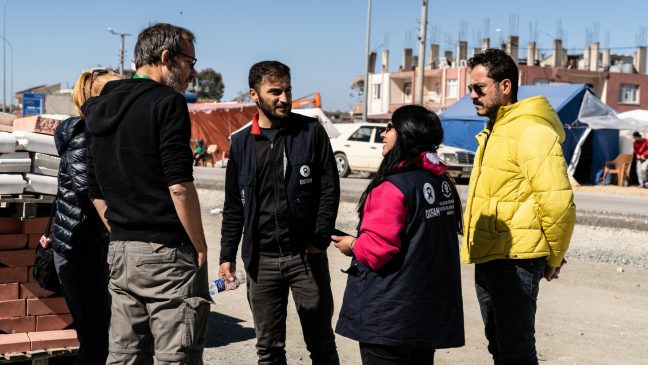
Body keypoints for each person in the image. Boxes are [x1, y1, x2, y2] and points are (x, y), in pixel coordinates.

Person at [82, 23, 209, 364]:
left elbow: (95, 190)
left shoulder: (98, 107)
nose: (193, 72)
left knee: (125, 355)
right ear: (166, 57)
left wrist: (121, 231)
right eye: (189, 62)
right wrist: (199, 244)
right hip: (166, 252)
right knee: (175, 355)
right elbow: (179, 186)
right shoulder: (167, 103)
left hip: (121, 249)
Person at [219, 60, 341, 364]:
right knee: (269, 349)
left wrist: (319, 239)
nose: (284, 98)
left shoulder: (311, 132)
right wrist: (226, 255)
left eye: (287, 90)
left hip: (305, 258)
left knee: (321, 344)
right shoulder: (241, 143)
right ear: (254, 94)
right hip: (262, 262)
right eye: (275, 91)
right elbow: (234, 205)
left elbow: (329, 190)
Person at [463, 48, 576, 365]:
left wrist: (553, 256)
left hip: (517, 259)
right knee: (499, 345)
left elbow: (558, 202)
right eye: (470, 88)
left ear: (505, 86)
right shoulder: (496, 129)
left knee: (516, 350)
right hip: (490, 255)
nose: (472, 95)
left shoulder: (531, 131)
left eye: (479, 88)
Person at [332, 105, 465, 365]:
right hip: (424, 315)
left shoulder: (393, 186)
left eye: (390, 127)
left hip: (390, 320)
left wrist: (353, 244)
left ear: (405, 134)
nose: (383, 134)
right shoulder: (441, 182)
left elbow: (377, 251)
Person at [39, 68, 120, 364]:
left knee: (98, 336)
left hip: (89, 250)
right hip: (77, 252)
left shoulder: (97, 136)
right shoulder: (83, 137)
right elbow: (91, 193)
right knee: (96, 340)